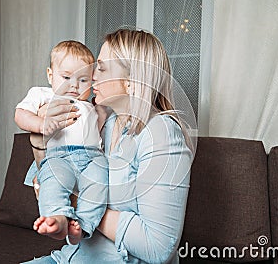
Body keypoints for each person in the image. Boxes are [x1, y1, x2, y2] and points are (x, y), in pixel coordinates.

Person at [23, 29, 195, 263]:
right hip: (68, 257)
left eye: (102, 68)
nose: (92, 75)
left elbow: (158, 248)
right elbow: (50, 177)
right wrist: (39, 141)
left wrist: (74, 205)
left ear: (130, 82)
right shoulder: (99, 120)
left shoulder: (161, 132)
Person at [15, 40, 108, 245]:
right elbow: (20, 114)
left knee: (100, 182)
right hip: (60, 156)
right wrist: (40, 124)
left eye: (83, 80)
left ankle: (83, 226)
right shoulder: (43, 94)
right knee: (53, 182)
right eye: (66, 77)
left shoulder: (93, 104)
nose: (74, 85)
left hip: (94, 157)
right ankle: (57, 218)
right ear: (50, 75)